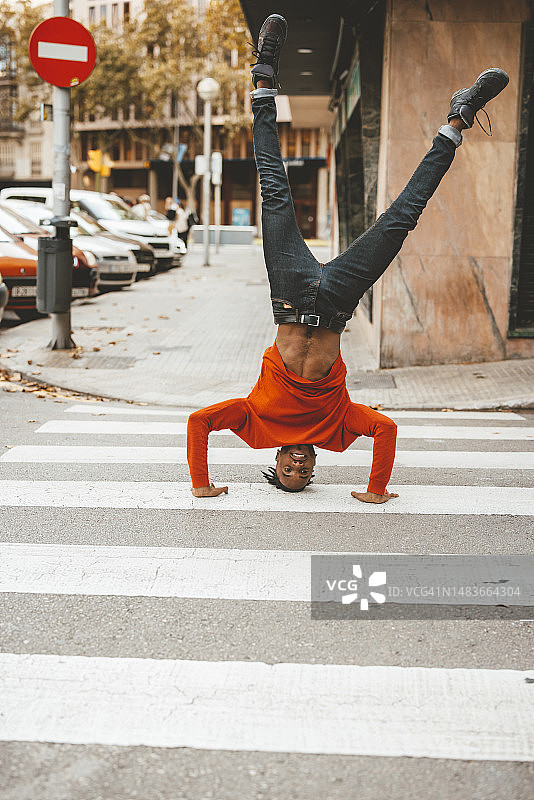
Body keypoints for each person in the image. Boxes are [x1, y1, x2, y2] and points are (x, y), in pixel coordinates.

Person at [187, 13, 509, 501]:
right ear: (315, 464)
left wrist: (202, 484)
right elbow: (385, 430)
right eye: (305, 474)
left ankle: (264, 79)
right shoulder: (338, 429)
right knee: (402, 218)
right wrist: (376, 489)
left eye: (288, 472)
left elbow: (199, 422)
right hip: (338, 303)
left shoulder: (254, 425)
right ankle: (458, 119)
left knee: (273, 188)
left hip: (291, 294)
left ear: (274, 461)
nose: (297, 466)